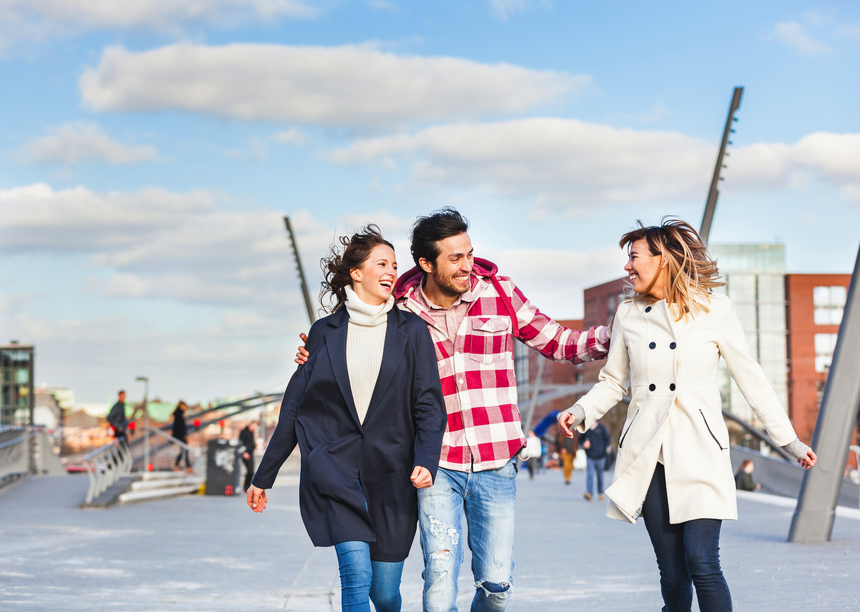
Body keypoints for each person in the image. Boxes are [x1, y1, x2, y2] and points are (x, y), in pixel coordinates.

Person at [296, 208, 610, 612]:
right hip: (437, 463)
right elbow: (354, 337)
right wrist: (316, 352)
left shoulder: (500, 294)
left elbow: (561, 342)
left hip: (497, 460)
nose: (468, 266)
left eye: (470, 254)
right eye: (455, 258)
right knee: (440, 583)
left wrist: (623, 333)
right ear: (426, 263)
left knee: (497, 586)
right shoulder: (402, 311)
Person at [558, 218, 816, 612]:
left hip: (699, 449)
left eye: (635, 258)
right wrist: (580, 411)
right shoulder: (628, 314)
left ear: (663, 259)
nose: (628, 267)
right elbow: (613, 382)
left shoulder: (715, 309)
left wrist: (788, 440)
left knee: (702, 561)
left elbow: (753, 380)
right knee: (673, 572)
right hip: (649, 455)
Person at [248, 225, 447, 612]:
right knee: (355, 582)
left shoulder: (412, 331)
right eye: (381, 263)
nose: (391, 271)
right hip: (337, 472)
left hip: (393, 476)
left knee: (384, 592)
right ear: (356, 273)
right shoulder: (324, 333)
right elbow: (295, 405)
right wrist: (263, 476)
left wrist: (426, 459)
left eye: (394, 264)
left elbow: (428, 404)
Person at [580, 420, 611, 500]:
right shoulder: (586, 429)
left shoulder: (601, 428)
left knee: (600, 475)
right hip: (590, 456)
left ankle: (600, 492)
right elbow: (580, 439)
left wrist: (603, 450)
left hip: (600, 457)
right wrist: (584, 444)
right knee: (590, 475)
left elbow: (607, 439)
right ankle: (589, 493)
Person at [171, 401, 191, 472]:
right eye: (184, 406)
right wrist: (184, 435)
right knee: (185, 450)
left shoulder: (178, 414)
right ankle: (187, 467)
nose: (185, 408)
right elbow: (180, 427)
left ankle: (178, 466)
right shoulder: (179, 415)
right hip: (180, 436)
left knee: (183, 451)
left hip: (179, 436)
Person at [238, 421, 257, 492]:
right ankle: (246, 487)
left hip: (251, 453)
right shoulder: (243, 432)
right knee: (249, 470)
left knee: (251, 471)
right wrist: (244, 452)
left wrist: (255, 446)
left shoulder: (252, 433)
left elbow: (251, 444)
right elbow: (240, 442)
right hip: (245, 454)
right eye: (253, 426)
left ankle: (247, 486)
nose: (254, 428)